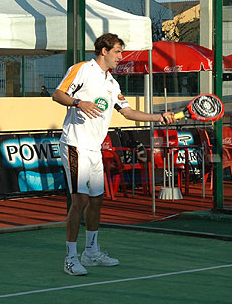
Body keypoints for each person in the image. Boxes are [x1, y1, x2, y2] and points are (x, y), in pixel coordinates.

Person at [53, 33, 176, 276]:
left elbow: (128, 113)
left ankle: (91, 251)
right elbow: (57, 94)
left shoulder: (112, 83)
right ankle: (70, 257)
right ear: (103, 51)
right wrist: (78, 103)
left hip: (95, 149)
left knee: (97, 200)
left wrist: (159, 117)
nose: (121, 56)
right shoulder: (82, 69)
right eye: (118, 52)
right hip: (75, 145)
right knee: (80, 200)